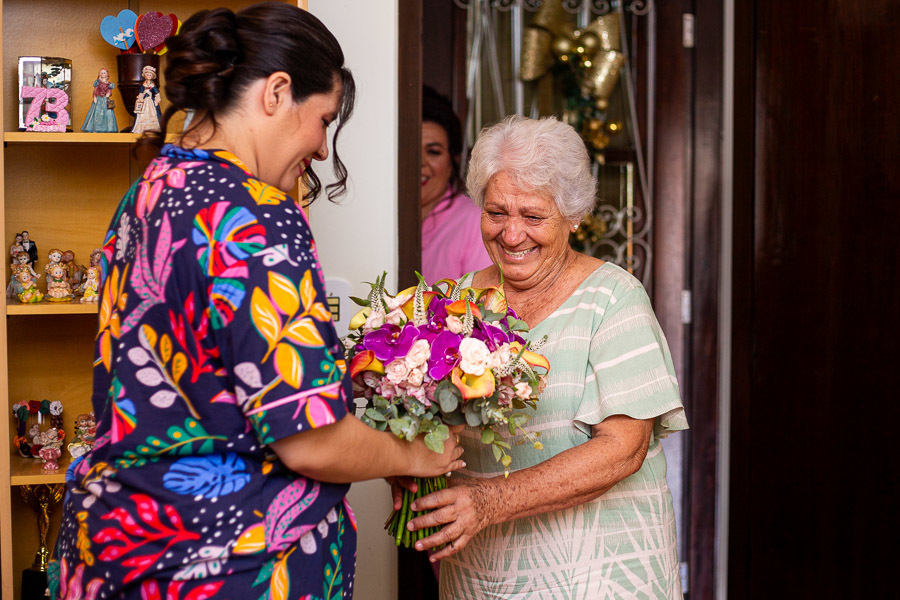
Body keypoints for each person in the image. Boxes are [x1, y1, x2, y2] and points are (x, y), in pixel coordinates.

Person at [51, 4, 464, 599]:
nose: (322, 149)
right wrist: (415, 453)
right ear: (276, 93)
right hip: (223, 563)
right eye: (323, 118)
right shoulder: (256, 215)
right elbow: (309, 438)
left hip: (119, 549)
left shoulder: (147, 191)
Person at [404, 115, 689, 599]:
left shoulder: (613, 298)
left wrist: (490, 500)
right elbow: (425, 428)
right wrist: (405, 463)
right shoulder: (448, 305)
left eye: (533, 216)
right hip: (483, 576)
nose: (512, 235)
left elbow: (625, 447)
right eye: (496, 213)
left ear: (573, 214)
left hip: (601, 576)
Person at [421, 86, 491, 283]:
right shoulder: (383, 219)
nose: (421, 162)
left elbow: (483, 306)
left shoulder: (473, 220)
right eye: (412, 151)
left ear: (453, 161)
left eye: (433, 152)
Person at [81, 67, 118, 133]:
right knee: (97, 113)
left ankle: (108, 128)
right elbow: (95, 90)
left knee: (107, 113)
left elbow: (109, 90)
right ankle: (96, 128)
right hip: (98, 99)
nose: (103, 74)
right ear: (99, 74)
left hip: (105, 99)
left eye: (104, 73)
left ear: (107, 74)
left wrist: (108, 94)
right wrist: (94, 97)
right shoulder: (98, 82)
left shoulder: (109, 84)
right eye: (102, 73)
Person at [131, 65, 161, 134]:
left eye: (150, 75)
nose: (149, 76)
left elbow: (157, 93)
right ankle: (140, 128)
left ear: (152, 76)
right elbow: (140, 93)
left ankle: (152, 128)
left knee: (152, 113)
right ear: (145, 75)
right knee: (141, 114)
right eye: (147, 74)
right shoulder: (143, 85)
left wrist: (157, 99)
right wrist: (141, 97)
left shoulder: (153, 85)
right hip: (144, 101)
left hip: (150, 101)